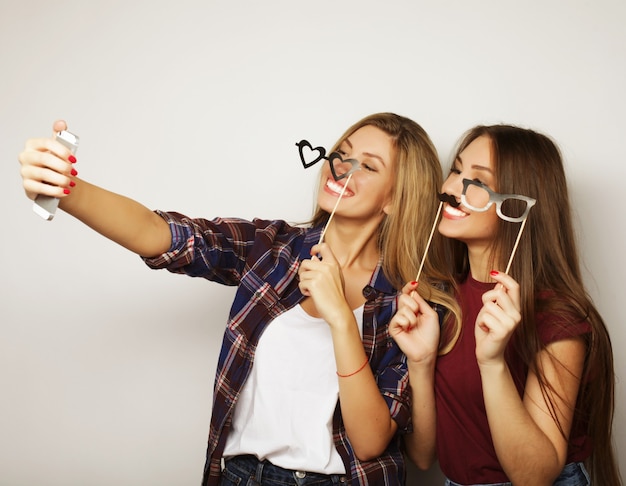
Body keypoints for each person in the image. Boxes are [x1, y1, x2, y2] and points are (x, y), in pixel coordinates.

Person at [18, 113, 459, 486]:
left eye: (368, 165)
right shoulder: (270, 248)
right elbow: (163, 234)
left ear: (396, 200)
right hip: (240, 475)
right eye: (341, 153)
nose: (341, 167)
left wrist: (341, 319)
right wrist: (68, 188)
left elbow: (370, 442)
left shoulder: (409, 302)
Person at [389, 125, 621, 485]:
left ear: (517, 205)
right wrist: (420, 364)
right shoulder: (443, 300)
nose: (451, 190)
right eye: (456, 171)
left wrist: (492, 362)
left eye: (477, 183)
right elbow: (422, 457)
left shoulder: (556, 318)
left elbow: (534, 477)